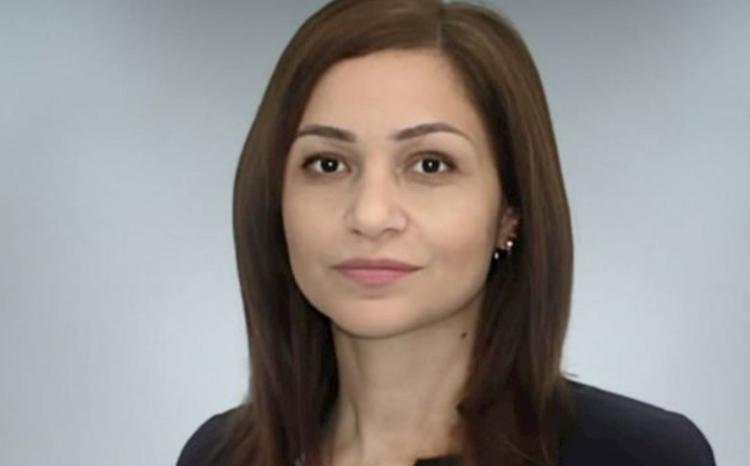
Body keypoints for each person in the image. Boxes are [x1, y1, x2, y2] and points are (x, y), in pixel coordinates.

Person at [176, 1, 716, 465]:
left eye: (430, 165)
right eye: (328, 164)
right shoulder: (219, 455)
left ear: (509, 212)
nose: (370, 215)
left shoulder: (641, 455)